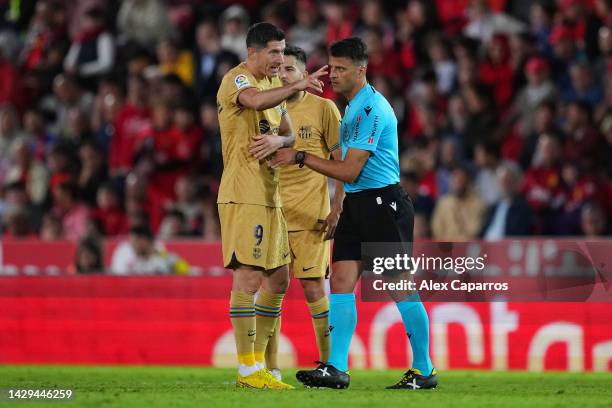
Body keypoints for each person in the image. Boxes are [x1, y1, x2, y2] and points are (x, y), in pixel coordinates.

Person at [272, 37, 437, 390]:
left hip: (383, 205)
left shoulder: (371, 109)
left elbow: (349, 171)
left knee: (399, 287)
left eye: (342, 69)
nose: (333, 75)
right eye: (332, 67)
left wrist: (300, 156)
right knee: (342, 282)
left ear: (361, 70)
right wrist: (339, 207)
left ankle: (424, 370)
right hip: (358, 205)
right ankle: (336, 367)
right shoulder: (350, 106)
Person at [216, 22, 327, 390]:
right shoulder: (238, 80)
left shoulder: (271, 85)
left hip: (270, 194)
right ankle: (248, 369)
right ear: (253, 53)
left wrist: (277, 140)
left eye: (283, 52)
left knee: (279, 277)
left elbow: (290, 132)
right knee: (247, 276)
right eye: (275, 52)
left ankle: (261, 362)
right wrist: (295, 85)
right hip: (243, 192)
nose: (280, 59)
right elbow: (252, 103)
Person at [264, 45, 344, 380]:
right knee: (271, 289)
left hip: (313, 217)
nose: (283, 75)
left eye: (291, 70)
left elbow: (343, 163)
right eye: (279, 70)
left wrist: (338, 207)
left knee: (313, 288)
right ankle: (267, 369)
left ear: (303, 74)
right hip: (273, 214)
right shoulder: (266, 109)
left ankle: (329, 365)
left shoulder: (324, 109)